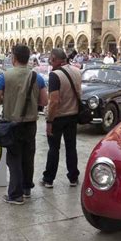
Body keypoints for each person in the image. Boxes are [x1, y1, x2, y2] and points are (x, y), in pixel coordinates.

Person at [0, 45, 48, 205]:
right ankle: (26, 189)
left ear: (13, 58)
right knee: (28, 157)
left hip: (12, 124)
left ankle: (15, 195)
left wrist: (9, 100)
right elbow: (44, 101)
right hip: (30, 124)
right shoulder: (37, 77)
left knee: (14, 158)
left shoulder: (5, 76)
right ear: (28, 58)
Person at [40, 48, 81, 188]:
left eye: (51, 59)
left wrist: (49, 121)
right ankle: (73, 177)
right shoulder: (77, 71)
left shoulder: (55, 75)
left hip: (58, 117)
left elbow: (54, 101)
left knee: (53, 149)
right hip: (73, 115)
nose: (50, 61)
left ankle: (49, 179)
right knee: (71, 147)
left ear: (56, 59)